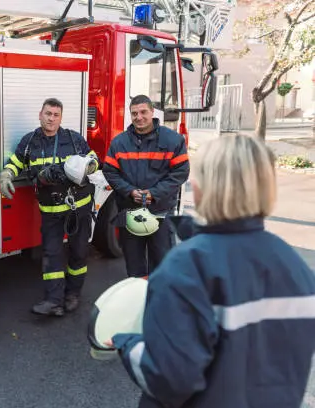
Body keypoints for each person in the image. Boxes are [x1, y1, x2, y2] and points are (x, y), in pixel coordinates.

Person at [108, 134, 315, 408]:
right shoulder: (297, 267)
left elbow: (167, 380)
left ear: (204, 187)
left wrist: (128, 344)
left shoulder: (186, 267)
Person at [0, 98, 99, 317]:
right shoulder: (29, 141)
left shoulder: (73, 138)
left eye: (55, 115)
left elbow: (93, 158)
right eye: (48, 114)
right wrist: (6, 175)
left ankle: (72, 295)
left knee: (79, 252)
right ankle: (53, 301)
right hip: (51, 212)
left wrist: (87, 166)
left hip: (77, 209)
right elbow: (15, 162)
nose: (51, 118)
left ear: (61, 118)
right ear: (40, 114)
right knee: (51, 254)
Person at [102, 94, 189, 278]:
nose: (139, 117)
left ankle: (158, 302)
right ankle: (139, 300)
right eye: (134, 113)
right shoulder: (119, 143)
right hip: (130, 212)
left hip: (160, 213)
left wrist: (154, 193)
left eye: (143, 112)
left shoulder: (173, 140)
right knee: (134, 267)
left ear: (152, 112)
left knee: (162, 265)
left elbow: (180, 172)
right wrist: (129, 191)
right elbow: (110, 172)